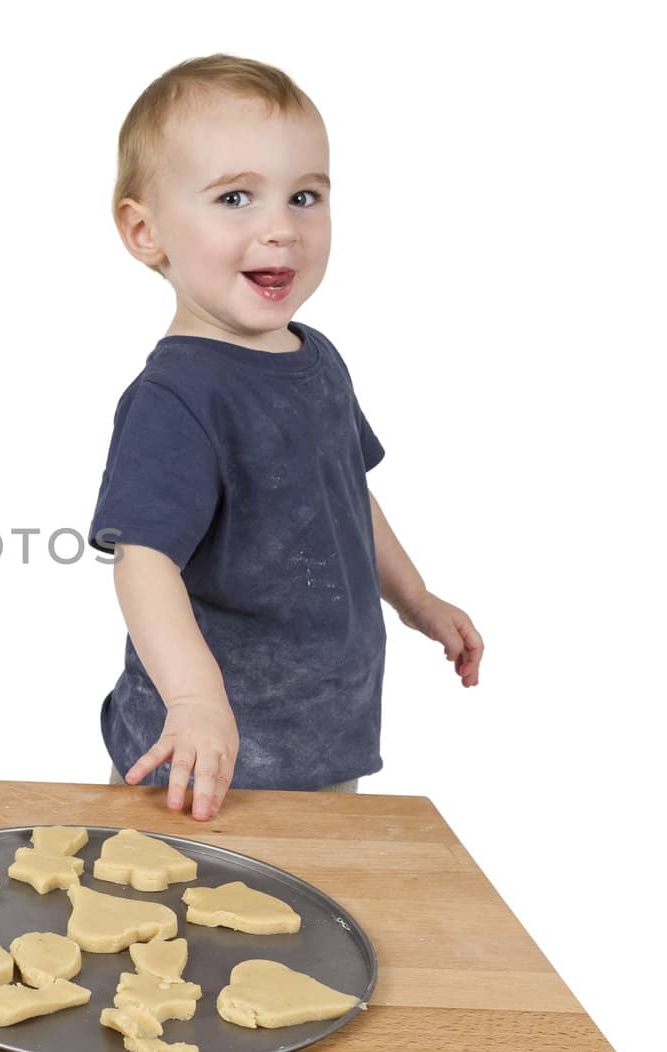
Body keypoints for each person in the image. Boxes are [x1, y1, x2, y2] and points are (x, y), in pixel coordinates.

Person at [88, 54, 483, 821]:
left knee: (288, 927)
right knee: (163, 919)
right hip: (199, 755)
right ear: (145, 231)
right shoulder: (176, 398)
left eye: (305, 196)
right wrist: (196, 701)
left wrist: (415, 599)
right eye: (236, 197)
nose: (281, 228)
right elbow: (143, 562)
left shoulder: (319, 359)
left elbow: (344, 496)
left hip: (319, 736)